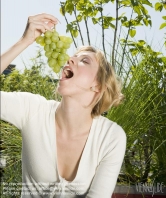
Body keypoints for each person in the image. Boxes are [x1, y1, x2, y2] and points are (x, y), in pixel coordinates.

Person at [1, 13, 126, 198]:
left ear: (97, 85)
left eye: (85, 61)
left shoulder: (111, 137)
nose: (70, 59)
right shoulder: (32, 109)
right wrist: (24, 41)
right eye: (74, 56)